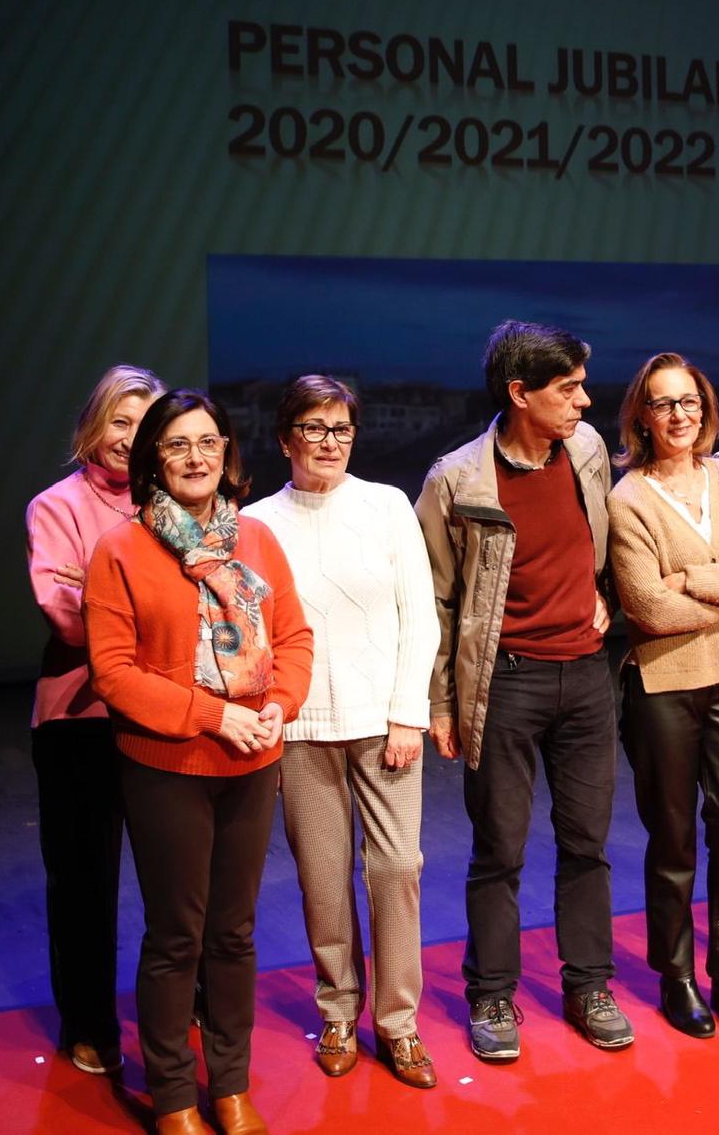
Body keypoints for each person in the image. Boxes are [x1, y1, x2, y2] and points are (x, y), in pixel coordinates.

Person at [84, 391, 313, 1135]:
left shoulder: (258, 539)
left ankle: (232, 1084)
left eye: (208, 442)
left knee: (234, 933)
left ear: (226, 452)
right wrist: (217, 714)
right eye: (178, 444)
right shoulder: (120, 549)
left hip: (253, 759)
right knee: (176, 933)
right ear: (154, 455)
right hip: (168, 763)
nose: (195, 457)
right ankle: (175, 1092)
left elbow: (296, 637)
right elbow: (113, 672)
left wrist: (280, 701)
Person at [416, 321, 630, 1060]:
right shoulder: (459, 478)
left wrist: (607, 599)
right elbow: (439, 599)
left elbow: (603, 544)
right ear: (519, 392)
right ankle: (493, 995)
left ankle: (588, 982)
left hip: (587, 678)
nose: (583, 400)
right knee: (498, 849)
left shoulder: (590, 450)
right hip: (505, 683)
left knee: (587, 844)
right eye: (567, 388)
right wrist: (441, 703)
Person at [243, 376, 439, 1089]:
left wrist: (406, 712)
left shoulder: (386, 506)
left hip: (384, 724)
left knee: (395, 871)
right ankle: (337, 1009)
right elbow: (251, 633)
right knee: (323, 880)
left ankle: (400, 1022)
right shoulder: (256, 523)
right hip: (297, 730)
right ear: (287, 436)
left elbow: (420, 614)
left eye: (342, 427)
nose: (331, 440)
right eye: (316, 427)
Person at [608, 353, 719, 1040]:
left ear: (705, 410)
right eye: (663, 403)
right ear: (642, 416)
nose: (679, 415)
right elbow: (649, 609)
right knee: (673, 839)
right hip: (663, 688)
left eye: (689, 402)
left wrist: (689, 579)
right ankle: (677, 975)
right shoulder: (628, 499)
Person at [22, 363, 163, 1076]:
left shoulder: (174, 504)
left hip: (166, 712)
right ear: (93, 424)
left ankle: (180, 1008)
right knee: (83, 879)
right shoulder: (56, 506)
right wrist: (154, 615)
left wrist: (110, 598)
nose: (128, 438)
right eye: (119, 419)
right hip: (80, 716)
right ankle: (88, 1022)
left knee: (175, 876)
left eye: (144, 424)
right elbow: (67, 618)